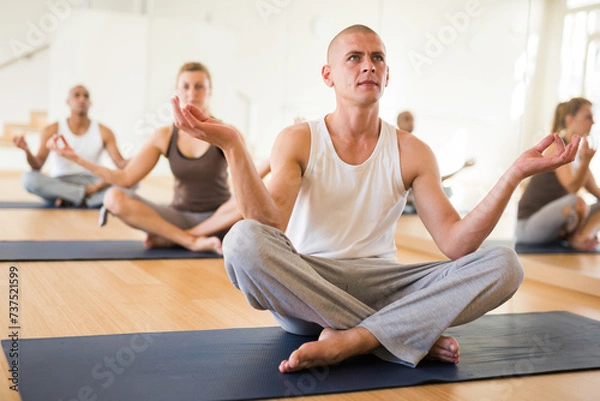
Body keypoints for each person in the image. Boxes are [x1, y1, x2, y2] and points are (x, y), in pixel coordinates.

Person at [171, 25, 579, 372]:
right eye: (354, 58)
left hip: (385, 285)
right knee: (241, 240)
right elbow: (268, 225)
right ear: (328, 75)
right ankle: (392, 334)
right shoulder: (299, 139)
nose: (369, 64)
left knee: (505, 264)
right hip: (308, 285)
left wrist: (513, 175)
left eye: (378, 58)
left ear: (387, 75)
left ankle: (355, 340)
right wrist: (234, 146)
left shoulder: (412, 151)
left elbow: (457, 244)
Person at [48, 62, 268, 254]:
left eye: (199, 86)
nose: (192, 93)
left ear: (210, 91)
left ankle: (177, 237)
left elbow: (251, 183)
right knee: (113, 197)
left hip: (222, 218)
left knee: (250, 201)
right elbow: (126, 178)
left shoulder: (227, 132)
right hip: (177, 216)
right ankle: (189, 241)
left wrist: (272, 161)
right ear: (177, 91)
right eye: (186, 86)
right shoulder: (163, 135)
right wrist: (77, 159)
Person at [13, 85, 128, 207]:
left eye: (86, 96)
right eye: (76, 95)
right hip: (62, 182)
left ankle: (69, 198)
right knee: (28, 179)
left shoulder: (104, 131)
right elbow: (37, 165)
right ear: (68, 101)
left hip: (94, 182)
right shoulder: (52, 129)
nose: (82, 99)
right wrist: (27, 151)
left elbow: (121, 165)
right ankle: (86, 196)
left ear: (90, 102)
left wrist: (141, 157)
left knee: (133, 182)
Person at [517, 98, 600, 250]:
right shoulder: (558, 147)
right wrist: (586, 161)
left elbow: (596, 191)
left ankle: (580, 238)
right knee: (576, 201)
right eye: (588, 117)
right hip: (528, 227)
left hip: (553, 225)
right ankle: (575, 239)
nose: (593, 122)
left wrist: (585, 161)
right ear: (570, 120)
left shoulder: (580, 156)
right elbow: (572, 189)